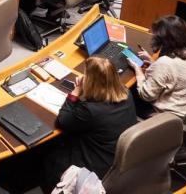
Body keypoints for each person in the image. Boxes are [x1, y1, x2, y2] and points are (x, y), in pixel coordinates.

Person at [42, 56, 137, 189]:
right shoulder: (126, 93)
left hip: (94, 166)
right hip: (117, 157)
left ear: (92, 83)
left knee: (49, 157)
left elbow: (62, 121)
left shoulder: (91, 110)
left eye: (87, 76)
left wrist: (76, 91)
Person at [130, 15, 186, 119]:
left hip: (168, 114)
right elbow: (174, 73)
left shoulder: (165, 63)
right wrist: (153, 62)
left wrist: (138, 70)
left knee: (126, 91)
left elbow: (146, 95)